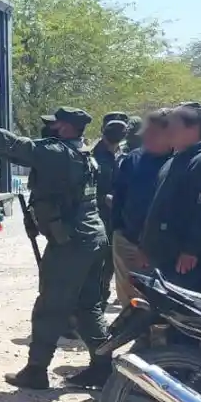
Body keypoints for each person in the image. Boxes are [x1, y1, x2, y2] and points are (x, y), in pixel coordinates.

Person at [0, 105, 109, 389]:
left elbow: (19, 145)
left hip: (71, 243)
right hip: (92, 238)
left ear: (67, 128)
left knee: (50, 306)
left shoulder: (57, 151)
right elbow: (30, 157)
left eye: (56, 125)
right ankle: (103, 366)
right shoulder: (80, 153)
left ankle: (36, 370)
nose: (51, 129)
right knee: (87, 305)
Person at [139, 103, 201, 293]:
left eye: (173, 126)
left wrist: (192, 250)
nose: (167, 131)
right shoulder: (177, 159)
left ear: (193, 128)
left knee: (186, 315)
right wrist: (147, 247)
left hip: (184, 262)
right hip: (163, 257)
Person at [109, 109, 172, 305]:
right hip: (128, 243)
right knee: (132, 306)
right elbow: (119, 197)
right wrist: (119, 233)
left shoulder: (182, 163)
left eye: (152, 131)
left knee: (160, 306)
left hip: (163, 250)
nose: (143, 135)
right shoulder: (133, 159)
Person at [92, 112, 129, 306]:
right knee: (95, 266)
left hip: (117, 219)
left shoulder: (124, 157)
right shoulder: (91, 156)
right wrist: (102, 197)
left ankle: (100, 303)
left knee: (111, 266)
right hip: (96, 218)